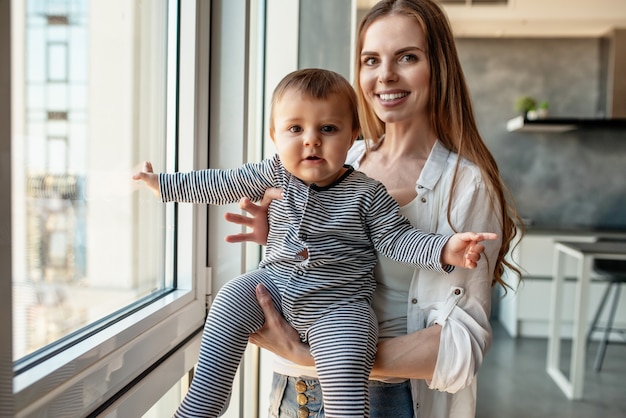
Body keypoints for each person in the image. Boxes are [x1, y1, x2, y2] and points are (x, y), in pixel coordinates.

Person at [133, 68, 496, 418]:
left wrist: (445, 249)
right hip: (274, 285)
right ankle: (200, 407)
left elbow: (397, 239)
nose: (312, 139)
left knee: (347, 362)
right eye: (295, 128)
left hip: (340, 305)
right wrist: (163, 184)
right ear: (274, 135)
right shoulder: (273, 172)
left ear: (352, 134)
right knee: (229, 298)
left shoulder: (367, 192)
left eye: (328, 128)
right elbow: (221, 181)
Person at [223, 1, 523, 417]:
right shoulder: (338, 154)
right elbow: (315, 279)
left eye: (407, 57)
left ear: (438, 68)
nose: (386, 75)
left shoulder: (466, 185)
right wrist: (277, 235)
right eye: (371, 60)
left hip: (385, 402)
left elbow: (463, 347)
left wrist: (319, 357)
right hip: (292, 395)